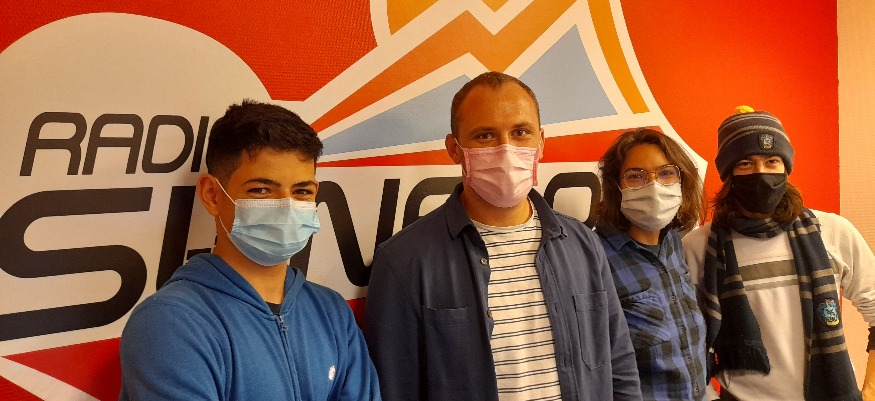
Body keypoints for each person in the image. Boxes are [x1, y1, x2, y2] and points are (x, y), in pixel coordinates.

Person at [364, 71, 641, 400]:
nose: (506, 150)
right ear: (454, 149)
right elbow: (396, 389)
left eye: (520, 132)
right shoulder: (404, 261)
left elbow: (619, 365)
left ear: (541, 142)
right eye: (484, 136)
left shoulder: (583, 245)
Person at [119, 100, 381, 400]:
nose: (286, 206)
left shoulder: (331, 312)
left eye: (301, 191)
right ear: (212, 195)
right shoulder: (171, 322)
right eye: (261, 190)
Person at [682, 106, 875, 401]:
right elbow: (687, 340)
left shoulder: (832, 231)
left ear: (786, 167)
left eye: (772, 161)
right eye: (746, 163)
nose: (761, 173)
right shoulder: (699, 247)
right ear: (729, 174)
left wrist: (870, 390)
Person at [595, 128, 707, 400]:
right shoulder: (596, 258)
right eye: (635, 176)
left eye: (666, 173)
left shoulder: (673, 243)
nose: (653, 186)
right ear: (616, 186)